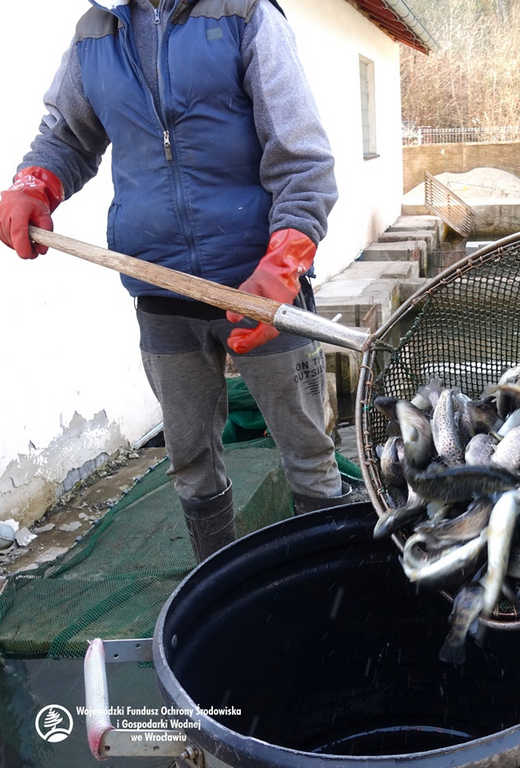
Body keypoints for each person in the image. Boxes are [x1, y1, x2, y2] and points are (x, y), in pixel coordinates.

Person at [0, 0, 349, 562]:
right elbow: (67, 136)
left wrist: (286, 260)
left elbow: (301, 156)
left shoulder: (244, 14)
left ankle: (335, 577)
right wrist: (34, 185)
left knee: (307, 450)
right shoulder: (96, 31)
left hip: (262, 285)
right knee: (190, 462)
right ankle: (215, 580)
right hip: (160, 287)